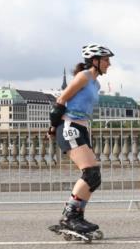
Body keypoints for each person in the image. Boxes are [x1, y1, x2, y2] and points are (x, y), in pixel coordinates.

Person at [49, 44, 114, 235]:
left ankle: (78, 216)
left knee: (95, 177)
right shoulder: (83, 77)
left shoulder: (96, 83)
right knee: (90, 173)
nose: (109, 64)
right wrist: (53, 127)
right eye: (106, 60)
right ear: (95, 61)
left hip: (82, 128)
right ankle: (70, 217)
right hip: (69, 126)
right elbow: (61, 101)